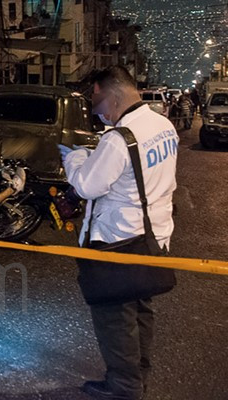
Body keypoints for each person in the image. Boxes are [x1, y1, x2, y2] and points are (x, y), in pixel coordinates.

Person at [60, 66, 177, 400]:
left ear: (109, 93)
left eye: (98, 105)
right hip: (153, 238)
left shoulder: (118, 139)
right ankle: (139, 376)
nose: (100, 115)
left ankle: (124, 388)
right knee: (141, 309)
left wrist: (75, 158)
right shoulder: (163, 125)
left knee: (115, 318)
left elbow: (87, 186)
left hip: (118, 242)